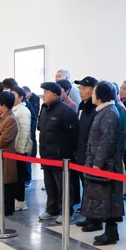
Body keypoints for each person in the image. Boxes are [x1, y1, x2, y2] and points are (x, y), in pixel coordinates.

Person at [80, 81, 126, 245]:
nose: (92, 95)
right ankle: (109, 231)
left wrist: (97, 163)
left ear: (100, 95)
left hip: (107, 165)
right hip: (101, 162)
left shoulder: (109, 113)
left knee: (109, 198)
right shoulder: (104, 111)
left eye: (94, 92)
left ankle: (111, 232)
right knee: (104, 198)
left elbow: (106, 141)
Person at [37, 81, 78, 222]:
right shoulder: (44, 109)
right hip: (46, 155)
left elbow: (74, 134)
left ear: (55, 95)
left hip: (60, 156)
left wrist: (67, 151)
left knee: (63, 186)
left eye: (46, 93)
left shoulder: (66, 111)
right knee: (50, 186)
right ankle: (51, 209)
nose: (43, 95)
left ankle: (66, 211)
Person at [73, 75, 99, 231]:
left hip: (92, 154)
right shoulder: (82, 106)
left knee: (93, 186)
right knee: (86, 184)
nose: (81, 92)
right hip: (81, 152)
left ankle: (95, 218)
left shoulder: (96, 108)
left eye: (84, 88)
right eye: (80, 88)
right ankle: (88, 214)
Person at [10, 85, 33, 210]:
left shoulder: (23, 111)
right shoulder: (12, 109)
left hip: (19, 149)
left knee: (19, 176)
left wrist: (20, 149)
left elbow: (24, 131)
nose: (11, 96)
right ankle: (13, 198)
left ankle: (20, 201)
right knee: (13, 176)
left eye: (14, 94)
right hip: (12, 148)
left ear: (21, 97)